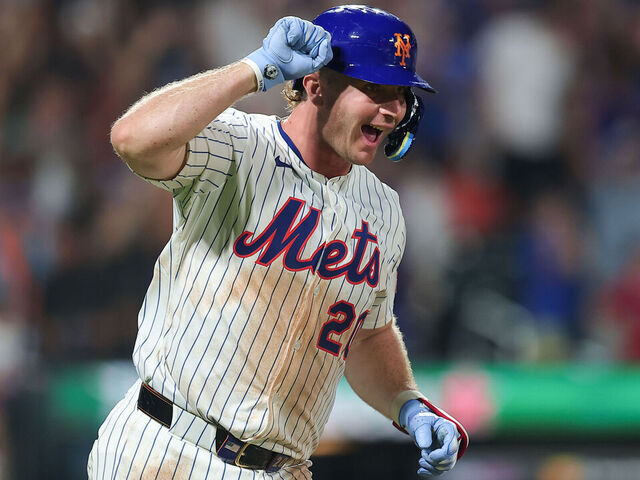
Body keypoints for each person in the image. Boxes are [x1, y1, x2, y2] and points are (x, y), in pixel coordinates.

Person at [88, 5, 469, 479]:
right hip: (169, 447)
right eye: (374, 89)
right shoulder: (238, 144)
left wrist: (409, 406)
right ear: (315, 84)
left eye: (400, 95)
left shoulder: (384, 210)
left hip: (282, 468)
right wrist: (252, 70)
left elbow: (366, 333)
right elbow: (132, 139)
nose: (392, 110)